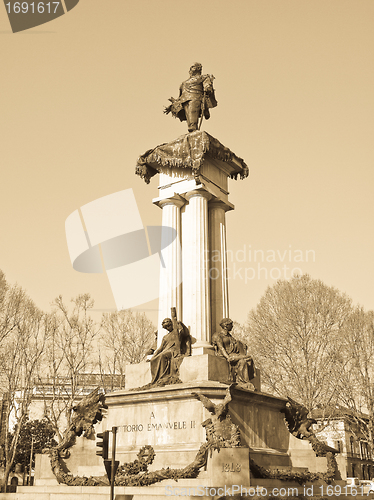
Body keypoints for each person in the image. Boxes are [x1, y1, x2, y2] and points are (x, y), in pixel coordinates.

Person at [164, 62, 217, 132]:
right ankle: (192, 130)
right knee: (188, 116)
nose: (191, 69)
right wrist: (173, 105)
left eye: (193, 67)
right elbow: (180, 96)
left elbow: (207, 85)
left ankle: (194, 129)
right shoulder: (184, 82)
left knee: (192, 114)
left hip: (195, 97)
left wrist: (208, 87)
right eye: (191, 67)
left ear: (198, 68)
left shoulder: (203, 77)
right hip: (185, 100)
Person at [212, 318, 256, 390]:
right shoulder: (217, 335)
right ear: (226, 326)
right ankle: (243, 381)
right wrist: (228, 357)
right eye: (231, 325)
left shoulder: (230, 337)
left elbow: (237, 347)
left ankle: (244, 382)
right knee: (244, 360)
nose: (232, 326)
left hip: (234, 355)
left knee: (247, 359)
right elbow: (221, 348)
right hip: (227, 355)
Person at [148, 317, 191, 385]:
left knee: (162, 356)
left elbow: (185, 333)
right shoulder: (165, 337)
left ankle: (163, 377)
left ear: (171, 324)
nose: (168, 327)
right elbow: (160, 348)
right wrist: (154, 355)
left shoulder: (176, 332)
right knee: (154, 359)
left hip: (173, 351)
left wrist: (181, 324)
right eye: (166, 327)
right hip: (166, 350)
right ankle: (155, 379)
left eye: (169, 325)